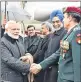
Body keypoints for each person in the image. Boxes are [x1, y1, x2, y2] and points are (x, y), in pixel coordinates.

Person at [30, 6, 81, 82]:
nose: (63, 20)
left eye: (64, 17)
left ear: (70, 18)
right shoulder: (69, 34)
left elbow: (78, 62)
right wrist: (40, 65)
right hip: (63, 77)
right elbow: (59, 53)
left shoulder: (77, 33)